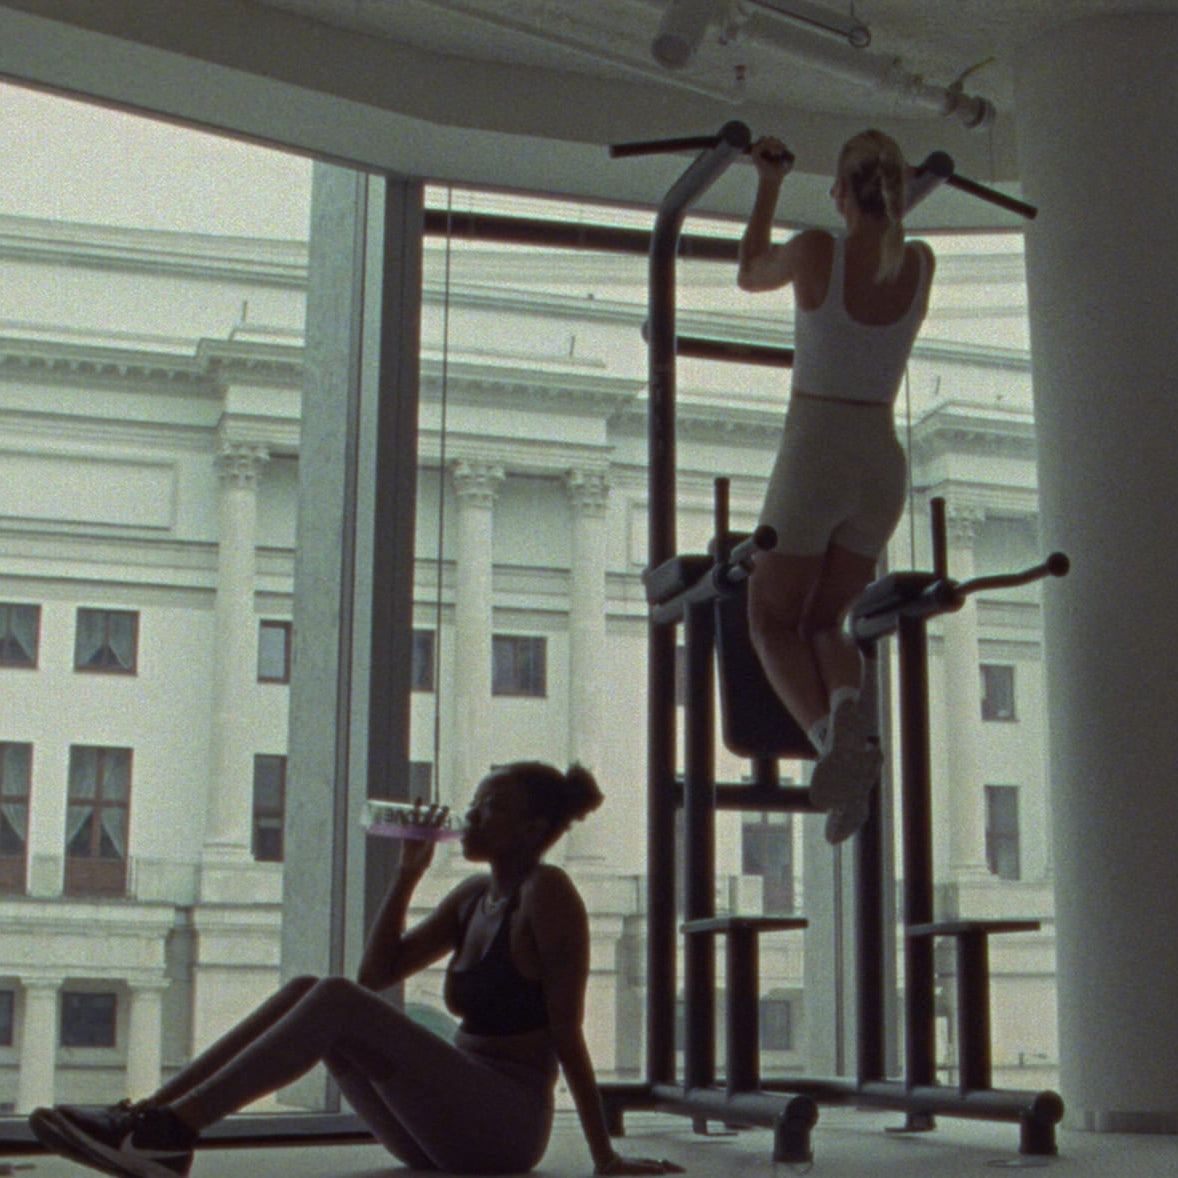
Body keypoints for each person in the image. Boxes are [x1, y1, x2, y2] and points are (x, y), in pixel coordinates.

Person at [30, 762, 685, 1178]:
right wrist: (405, 877)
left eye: (491, 807)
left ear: (530, 828)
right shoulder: (470, 900)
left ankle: (172, 1133)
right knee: (312, 992)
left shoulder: (549, 893)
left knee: (335, 999)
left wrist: (604, 1157)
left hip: (505, 1128)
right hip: (442, 1128)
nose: (471, 816)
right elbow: (378, 975)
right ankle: (148, 1120)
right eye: (477, 803)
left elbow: (568, 1033)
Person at [738, 129, 935, 845]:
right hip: (880, 461)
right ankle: (847, 707)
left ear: (844, 192)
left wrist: (766, 183)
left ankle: (829, 742)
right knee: (826, 624)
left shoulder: (818, 246)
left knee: (769, 619)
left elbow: (750, 271)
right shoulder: (919, 263)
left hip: (817, 450)